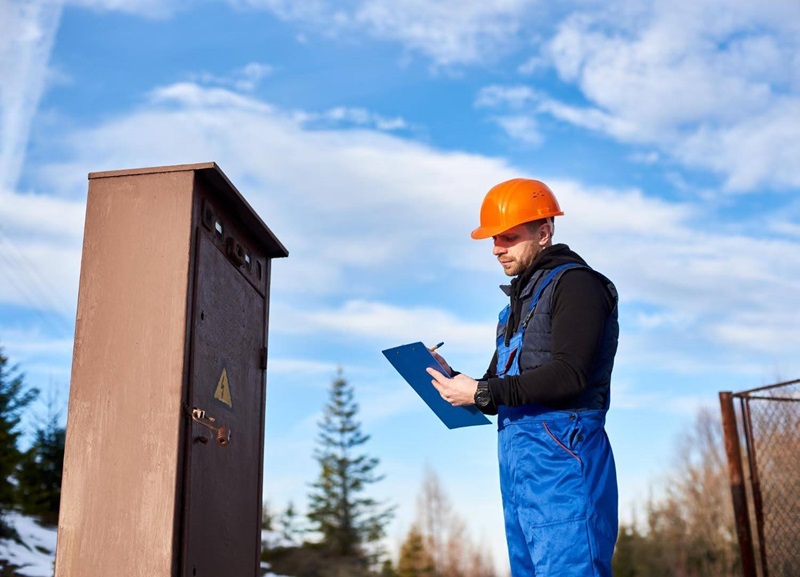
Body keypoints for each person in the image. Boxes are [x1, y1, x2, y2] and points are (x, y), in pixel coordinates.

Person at [426, 178, 619, 577]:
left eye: (509, 237)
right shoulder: (518, 302)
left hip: (563, 461)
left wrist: (480, 392)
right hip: (520, 468)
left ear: (544, 231)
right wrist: (453, 378)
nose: (497, 249)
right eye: (493, 239)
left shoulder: (577, 285)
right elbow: (496, 391)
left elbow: (570, 374)